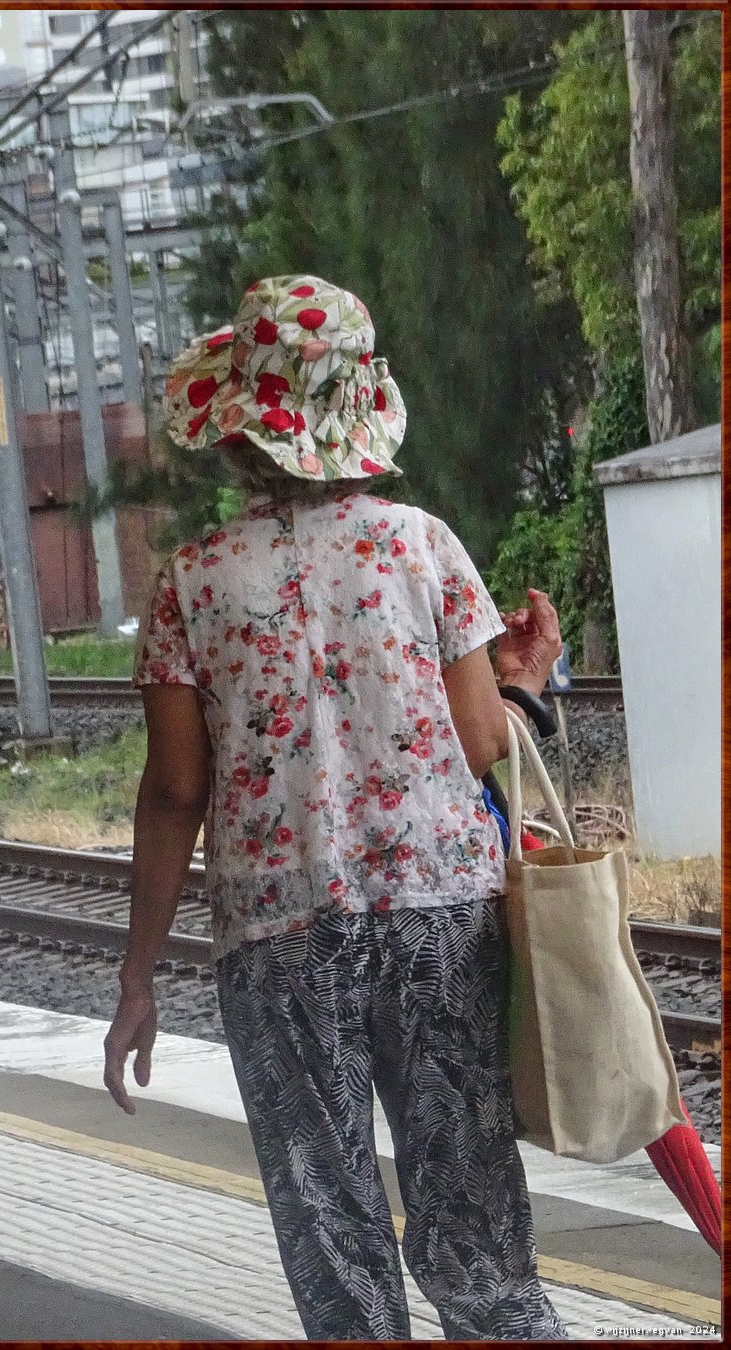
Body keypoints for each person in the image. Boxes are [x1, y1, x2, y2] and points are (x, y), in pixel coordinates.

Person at [104, 275, 566, 1341]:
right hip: (440, 919)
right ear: (358, 414)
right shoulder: (422, 545)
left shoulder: (190, 582)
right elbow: (486, 742)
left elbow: (177, 792)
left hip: (277, 943)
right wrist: (525, 682)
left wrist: (138, 976)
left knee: (335, 1248)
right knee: (479, 1243)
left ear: (242, 430)